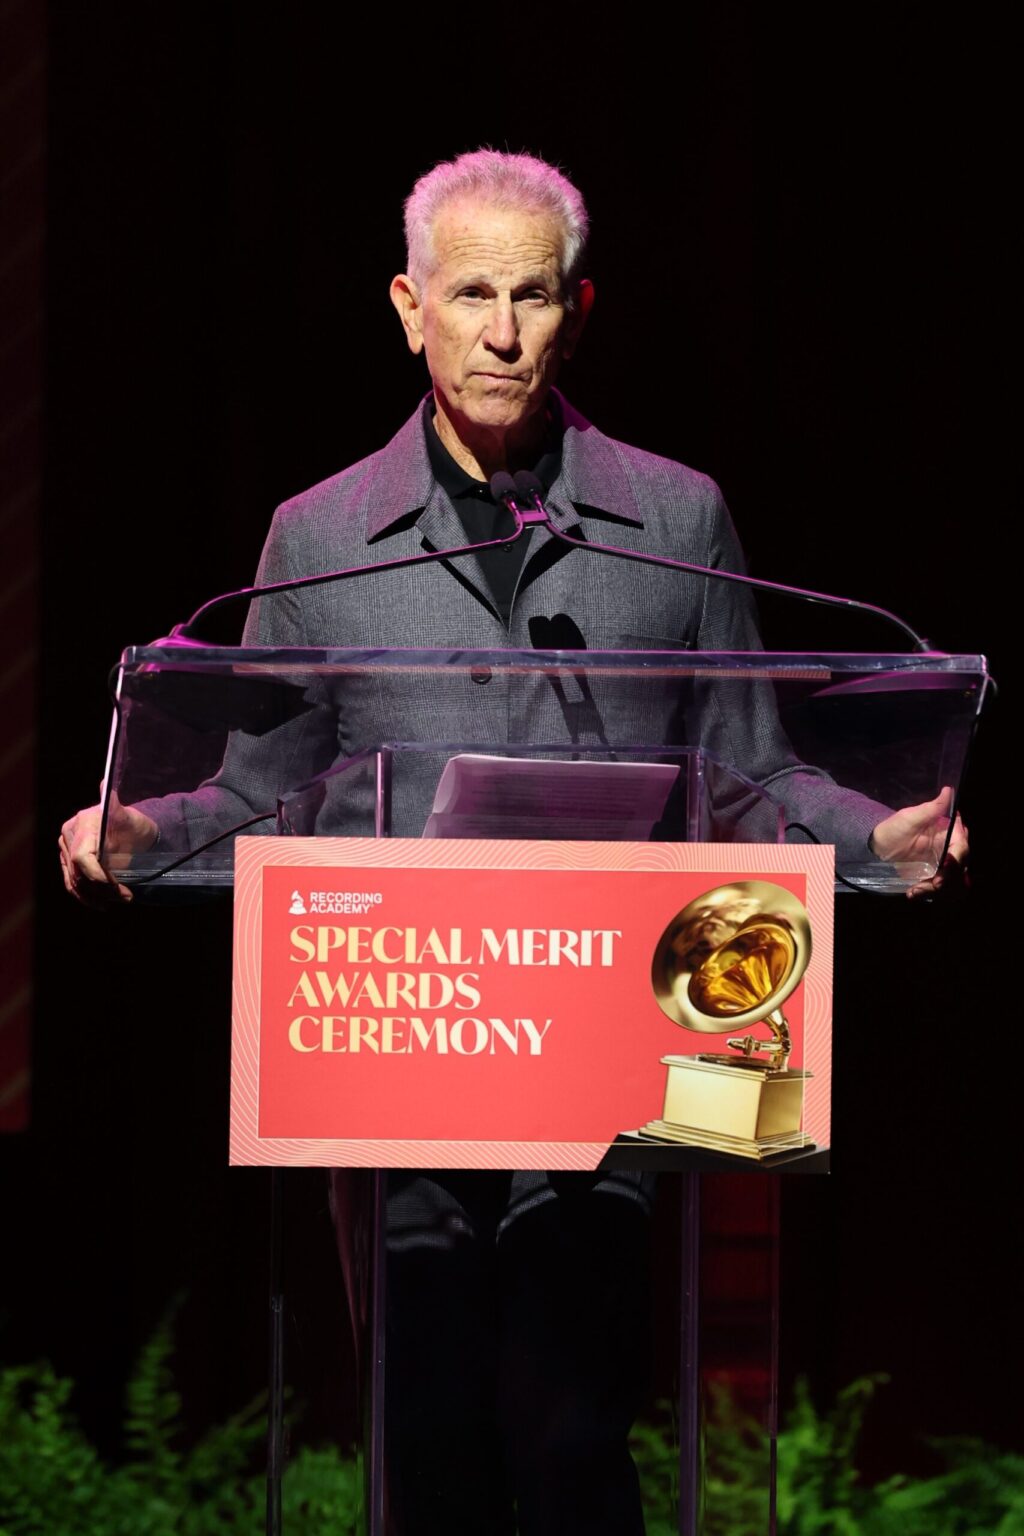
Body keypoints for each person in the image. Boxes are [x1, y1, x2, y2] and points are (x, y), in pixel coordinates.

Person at [60, 150, 967, 1533]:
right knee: (418, 1434)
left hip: (608, 1057)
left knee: (569, 1430)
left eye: (530, 295)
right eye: (469, 293)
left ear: (577, 307)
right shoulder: (319, 537)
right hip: (391, 1051)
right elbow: (266, 787)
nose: (499, 331)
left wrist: (876, 841)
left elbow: (751, 767)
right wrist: (140, 828)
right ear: (407, 305)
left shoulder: (675, 519)